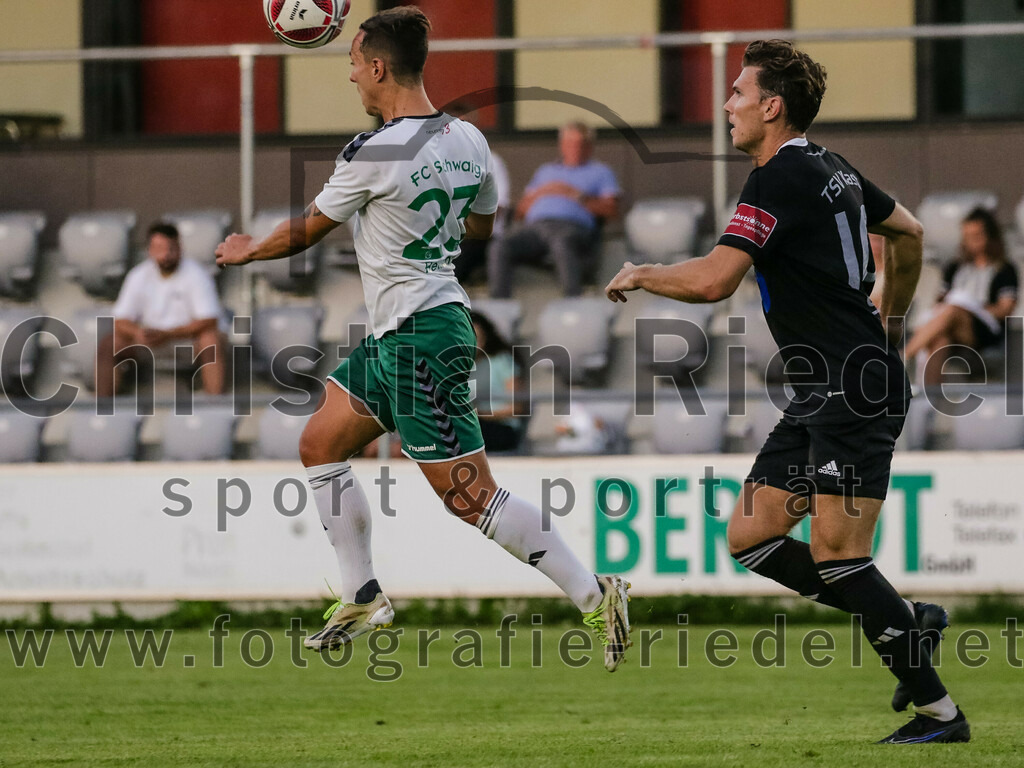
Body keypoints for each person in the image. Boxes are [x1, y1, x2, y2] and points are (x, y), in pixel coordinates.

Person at [216, 7, 630, 671]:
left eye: (353, 63)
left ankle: (594, 592)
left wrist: (245, 249)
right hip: (409, 327)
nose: (351, 76)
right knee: (320, 440)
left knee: (470, 496)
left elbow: (306, 230)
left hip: (418, 337)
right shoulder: (470, 141)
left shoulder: (372, 152)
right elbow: (487, 230)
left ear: (379, 66)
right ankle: (362, 594)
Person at [605, 39, 969, 743]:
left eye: (738, 94)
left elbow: (715, 280)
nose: (728, 105)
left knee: (839, 554)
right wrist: (888, 318)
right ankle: (904, 615)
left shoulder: (777, 179)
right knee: (751, 535)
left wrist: (644, 271)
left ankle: (939, 713)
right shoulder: (827, 165)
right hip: (829, 384)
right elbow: (911, 232)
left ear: (772, 107)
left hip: (851, 388)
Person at [488, 121, 620, 298]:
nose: (574, 149)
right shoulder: (545, 171)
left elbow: (611, 210)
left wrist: (575, 195)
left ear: (589, 147)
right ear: (561, 145)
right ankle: (499, 306)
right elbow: (520, 212)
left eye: (579, 144)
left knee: (561, 241)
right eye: (569, 143)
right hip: (535, 228)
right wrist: (542, 193)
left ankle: (573, 301)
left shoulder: (601, 171)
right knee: (500, 245)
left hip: (572, 228)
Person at [96, 221, 226, 397]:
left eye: (170, 248)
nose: (165, 255)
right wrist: (137, 333)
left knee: (210, 339)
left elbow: (209, 320)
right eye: (159, 249)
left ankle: (215, 403)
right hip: (150, 342)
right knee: (109, 343)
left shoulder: (197, 274)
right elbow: (120, 320)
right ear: (149, 250)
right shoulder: (138, 275)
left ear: (179, 248)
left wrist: (168, 334)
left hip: (186, 343)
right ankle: (103, 410)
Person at [905, 207, 1018, 385]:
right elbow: (940, 300)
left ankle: (902, 357)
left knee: (952, 310)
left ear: (989, 236)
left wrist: (971, 307)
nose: (971, 242)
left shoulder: (1004, 270)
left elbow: (1005, 309)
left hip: (984, 329)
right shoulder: (955, 267)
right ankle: (929, 401)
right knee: (940, 340)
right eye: (967, 237)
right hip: (951, 326)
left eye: (977, 236)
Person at [469, 311, 525, 453]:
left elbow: (516, 407)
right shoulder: (458, 366)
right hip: (473, 425)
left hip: (500, 426)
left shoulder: (501, 361)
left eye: (478, 338)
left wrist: (481, 413)